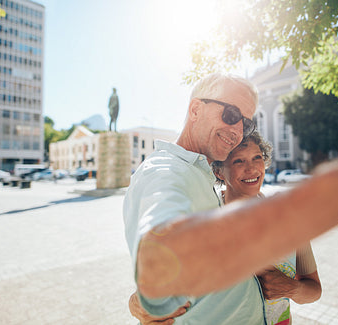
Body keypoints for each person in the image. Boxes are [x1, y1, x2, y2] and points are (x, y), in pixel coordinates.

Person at [125, 50, 338, 320]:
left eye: (246, 123)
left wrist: (149, 302)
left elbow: (163, 287)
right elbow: (157, 262)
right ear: (194, 110)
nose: (237, 131)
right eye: (231, 115)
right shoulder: (164, 171)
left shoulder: (201, 175)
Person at [129, 132, 322, 324]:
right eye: (239, 161)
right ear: (219, 172)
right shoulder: (203, 218)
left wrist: (292, 289)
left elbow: (314, 290)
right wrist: (137, 304)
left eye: (257, 158)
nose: (252, 168)